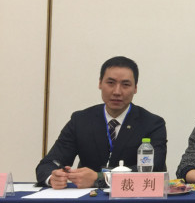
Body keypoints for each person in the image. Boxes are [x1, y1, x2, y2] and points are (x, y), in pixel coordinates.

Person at [35, 56, 167, 188]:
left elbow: (154, 168)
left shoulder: (152, 124)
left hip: (133, 195)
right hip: (89, 197)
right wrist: (53, 178)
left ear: (135, 88)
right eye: (110, 83)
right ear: (100, 83)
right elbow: (48, 164)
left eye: (125, 85)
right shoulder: (80, 120)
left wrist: (100, 178)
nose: (117, 91)